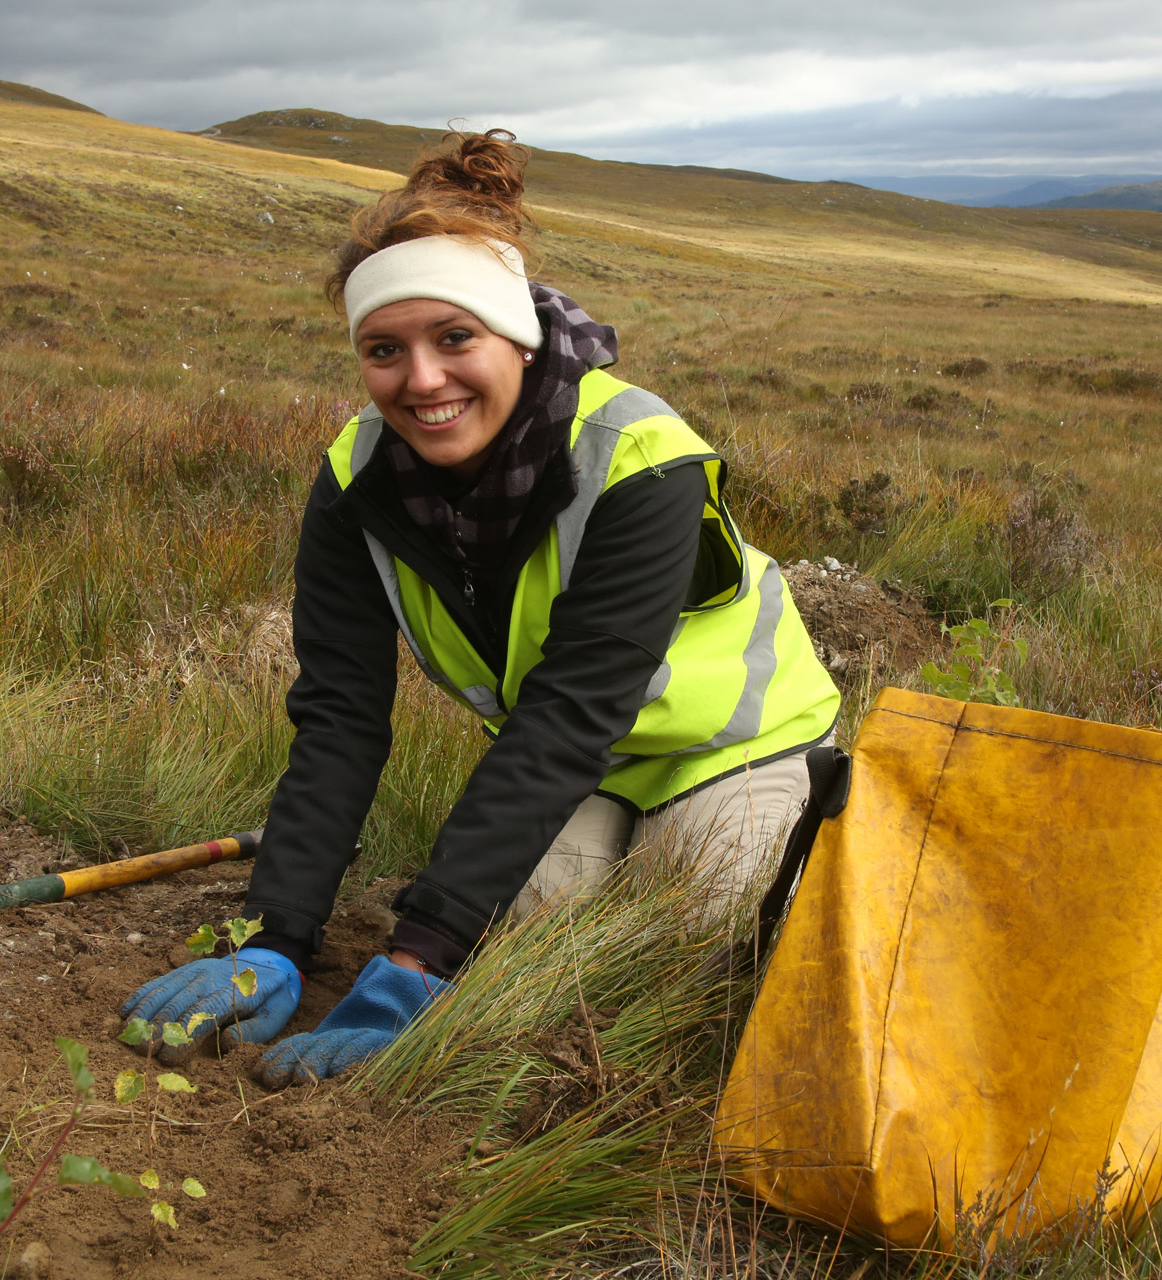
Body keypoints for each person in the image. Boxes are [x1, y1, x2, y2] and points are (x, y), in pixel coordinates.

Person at [122, 130, 841, 1086]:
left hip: (731, 749)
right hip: (581, 773)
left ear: (517, 335)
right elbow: (339, 716)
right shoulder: (354, 480)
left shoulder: (640, 456)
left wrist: (415, 961)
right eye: (386, 350)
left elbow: (570, 711)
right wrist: (275, 935)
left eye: (454, 338)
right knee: (515, 968)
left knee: (662, 961)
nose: (422, 381)